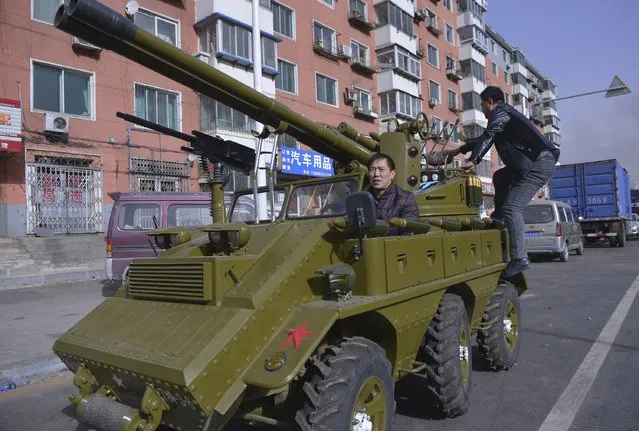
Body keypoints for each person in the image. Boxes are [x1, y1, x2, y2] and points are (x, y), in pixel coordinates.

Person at [447, 86, 560, 278]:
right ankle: (498, 217)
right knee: (499, 177)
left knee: (513, 208)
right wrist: (458, 151)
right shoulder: (503, 117)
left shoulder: (501, 113)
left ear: (490, 103)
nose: (482, 110)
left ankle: (520, 258)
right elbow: (487, 136)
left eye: (483, 105)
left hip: (538, 162)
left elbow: (490, 135)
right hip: (530, 163)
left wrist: (473, 160)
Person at [366, 153, 419, 233]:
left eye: (381, 170)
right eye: (372, 170)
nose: (376, 174)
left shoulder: (405, 199)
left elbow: (409, 232)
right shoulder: (361, 199)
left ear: (392, 174)